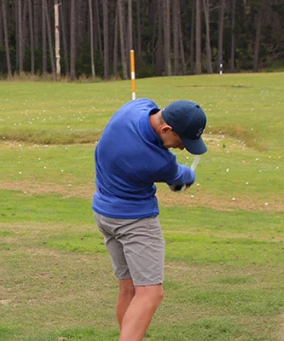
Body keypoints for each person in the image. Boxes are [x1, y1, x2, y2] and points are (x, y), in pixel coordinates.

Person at [92, 98, 207, 340]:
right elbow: (178, 176)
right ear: (166, 129)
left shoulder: (137, 107)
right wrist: (189, 175)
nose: (183, 148)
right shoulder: (159, 162)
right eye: (181, 141)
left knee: (129, 288)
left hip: (103, 212)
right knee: (150, 293)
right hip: (134, 222)